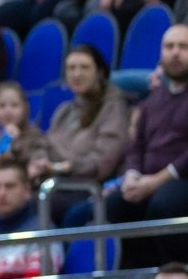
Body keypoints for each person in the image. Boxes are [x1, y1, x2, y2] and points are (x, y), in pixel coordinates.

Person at [66, 24, 188, 268]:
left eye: (183, 47)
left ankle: (177, 274)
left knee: (164, 203)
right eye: (169, 47)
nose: (175, 53)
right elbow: (136, 146)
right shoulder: (154, 99)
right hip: (157, 182)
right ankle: (136, 277)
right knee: (114, 205)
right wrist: (132, 176)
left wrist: (155, 182)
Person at [38, 46, 130, 189]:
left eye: (84, 67)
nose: (77, 74)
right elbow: (44, 145)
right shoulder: (64, 110)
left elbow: (102, 162)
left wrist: (65, 167)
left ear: (99, 72)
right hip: (52, 181)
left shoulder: (114, 109)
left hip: (84, 187)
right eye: (71, 68)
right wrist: (37, 162)